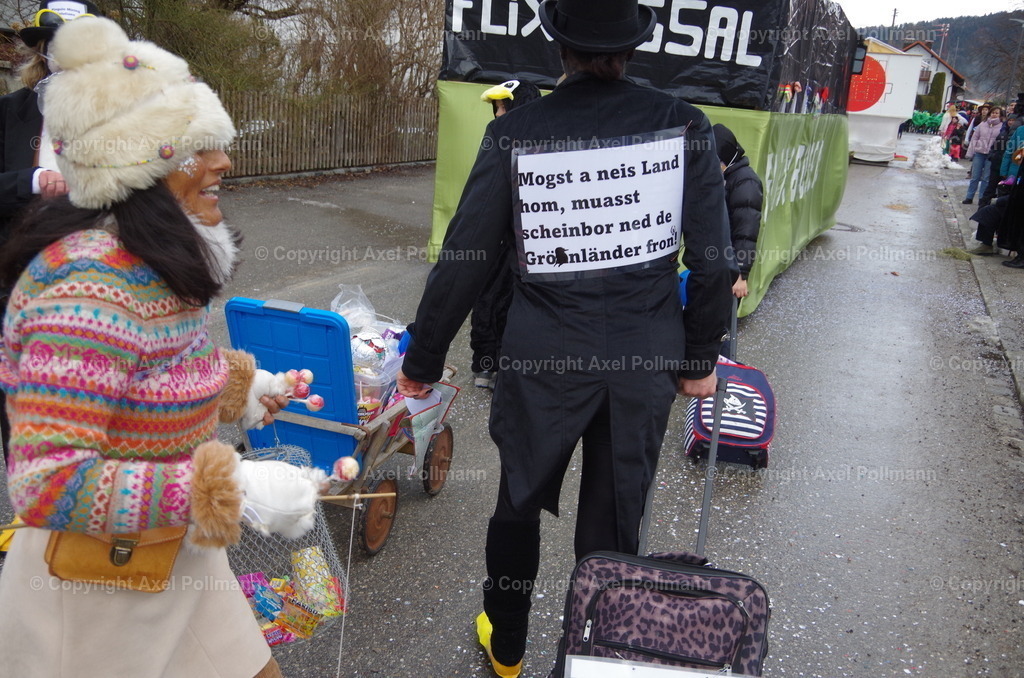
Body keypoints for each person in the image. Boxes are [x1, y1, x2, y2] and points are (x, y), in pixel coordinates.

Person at [396, 0, 735, 675]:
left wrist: (423, 359)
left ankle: (508, 645)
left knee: (518, 501)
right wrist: (700, 357)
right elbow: (713, 257)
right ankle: (594, 656)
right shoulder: (685, 126)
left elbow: (467, 256)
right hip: (642, 357)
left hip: (543, 356)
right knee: (615, 520)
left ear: (560, 49)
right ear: (631, 50)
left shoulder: (515, 132)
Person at [0, 18, 324, 678]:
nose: (223, 163)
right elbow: (48, 482)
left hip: (179, 561)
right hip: (100, 600)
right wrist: (234, 488)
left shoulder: (143, 258)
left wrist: (242, 387)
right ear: (137, 165)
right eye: (197, 147)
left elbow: (153, 367)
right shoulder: (87, 287)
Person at [0, 0, 99, 463]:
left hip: (96, 290)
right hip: (18, 287)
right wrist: (33, 181)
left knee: (91, 414)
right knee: (23, 418)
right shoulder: (9, 113)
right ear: (41, 50)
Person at [470, 78, 541, 390]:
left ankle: (510, 368)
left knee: (517, 304)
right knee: (488, 298)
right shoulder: (497, 142)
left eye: (503, 107)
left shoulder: (543, 143)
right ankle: (486, 362)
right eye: (497, 108)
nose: (498, 114)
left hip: (530, 244)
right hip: (498, 240)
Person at [712, 123, 763, 299]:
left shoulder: (746, 182)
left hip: (731, 267)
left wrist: (741, 274)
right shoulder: (723, 177)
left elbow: (747, 231)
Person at [963, 104, 1002, 205]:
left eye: (997, 113)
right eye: (993, 112)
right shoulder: (982, 124)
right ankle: (969, 196)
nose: (994, 114)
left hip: (991, 154)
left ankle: (982, 198)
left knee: (986, 178)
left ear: (1000, 115)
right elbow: (975, 138)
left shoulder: (1002, 126)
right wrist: (970, 152)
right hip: (979, 153)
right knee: (975, 176)